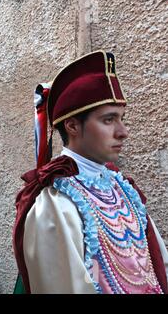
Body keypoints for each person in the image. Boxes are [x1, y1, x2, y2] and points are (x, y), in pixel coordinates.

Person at [13, 50, 168, 294]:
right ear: (73, 125)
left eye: (122, 118)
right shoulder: (55, 204)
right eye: (108, 120)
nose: (123, 131)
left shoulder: (124, 190)